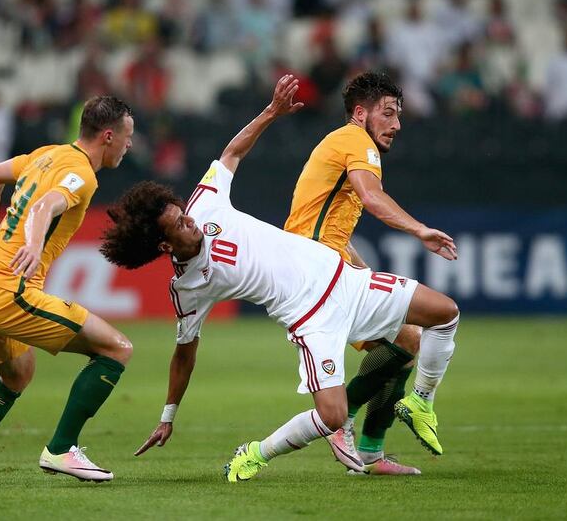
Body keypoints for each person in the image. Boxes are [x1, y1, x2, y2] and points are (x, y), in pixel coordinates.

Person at [100, 75, 460, 482]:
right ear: (166, 246)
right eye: (180, 225)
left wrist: (271, 112)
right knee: (332, 413)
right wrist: (168, 415)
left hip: (342, 277)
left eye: (182, 212)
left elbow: (232, 152)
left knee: (444, 313)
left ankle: (419, 403)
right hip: (310, 316)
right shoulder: (189, 289)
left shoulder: (203, 204)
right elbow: (184, 353)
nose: (190, 220)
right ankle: (256, 452)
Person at [0, 96, 135, 486]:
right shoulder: (82, 173)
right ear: (108, 136)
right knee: (116, 349)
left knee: (17, 375)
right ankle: (62, 449)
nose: (129, 145)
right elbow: (45, 205)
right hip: (9, 290)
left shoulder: (47, 154)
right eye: (127, 137)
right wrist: (33, 241)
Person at [283, 71, 458, 475]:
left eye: (398, 115)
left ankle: (370, 451)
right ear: (360, 114)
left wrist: (360, 268)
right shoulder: (355, 141)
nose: (396, 124)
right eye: (388, 113)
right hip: (313, 273)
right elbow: (371, 197)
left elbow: (331, 228)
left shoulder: (344, 144)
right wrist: (419, 229)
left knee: (407, 341)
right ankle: (340, 419)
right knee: (421, 329)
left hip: (320, 263)